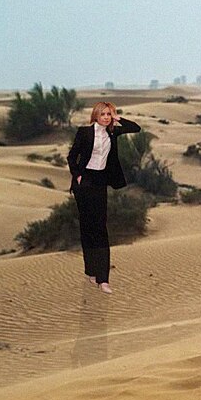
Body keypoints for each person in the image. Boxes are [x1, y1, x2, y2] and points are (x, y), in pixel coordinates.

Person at [66, 102, 141, 293]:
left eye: (109, 114)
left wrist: (118, 118)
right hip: (85, 182)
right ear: (96, 115)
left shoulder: (113, 132)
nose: (106, 117)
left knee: (100, 228)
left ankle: (103, 279)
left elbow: (136, 128)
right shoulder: (85, 132)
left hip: (100, 181)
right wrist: (77, 175)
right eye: (103, 114)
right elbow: (71, 156)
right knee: (87, 227)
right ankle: (90, 271)